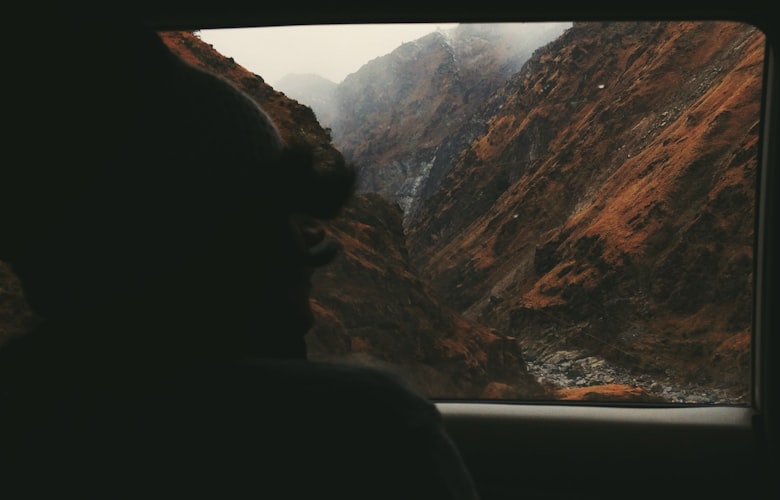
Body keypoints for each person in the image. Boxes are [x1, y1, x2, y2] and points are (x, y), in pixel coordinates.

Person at [0, 22, 479, 499]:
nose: (313, 232)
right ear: (217, 238)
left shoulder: (24, 415)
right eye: (280, 209)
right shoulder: (364, 428)